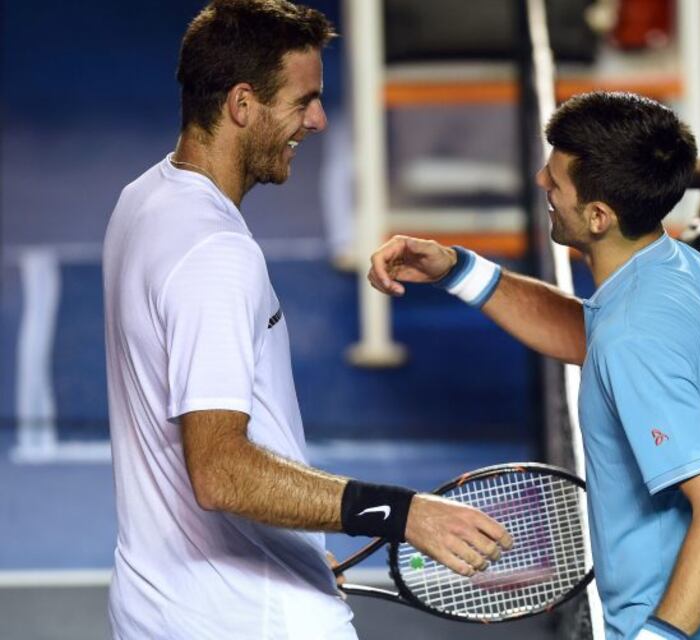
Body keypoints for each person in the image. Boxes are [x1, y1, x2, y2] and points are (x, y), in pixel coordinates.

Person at [101, 1, 511, 638]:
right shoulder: (216, 254)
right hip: (248, 622)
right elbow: (220, 471)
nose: (318, 120)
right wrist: (402, 513)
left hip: (155, 609)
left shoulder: (142, 200)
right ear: (242, 104)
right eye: (304, 101)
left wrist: (290, 550)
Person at [368, 91, 700, 640]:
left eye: (556, 180)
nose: (541, 181)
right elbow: (586, 333)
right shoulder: (690, 274)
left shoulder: (631, 339)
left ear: (598, 216)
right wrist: (456, 270)